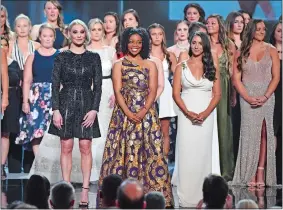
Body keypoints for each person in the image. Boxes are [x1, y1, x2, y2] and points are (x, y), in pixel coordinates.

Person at [97, 27, 173, 208]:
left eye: (139, 42)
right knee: (120, 153)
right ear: (125, 43)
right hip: (123, 115)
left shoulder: (151, 64)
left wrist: (143, 111)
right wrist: (129, 113)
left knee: (150, 152)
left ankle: (149, 194)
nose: (135, 45)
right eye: (131, 42)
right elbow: (117, 90)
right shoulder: (119, 64)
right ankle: (120, 196)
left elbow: (153, 90)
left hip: (147, 115)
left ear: (144, 44)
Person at [48, 19, 102, 207]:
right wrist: (56, 110)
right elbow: (54, 85)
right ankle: (67, 190)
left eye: (81, 32)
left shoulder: (94, 57)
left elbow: (98, 87)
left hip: (87, 104)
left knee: (85, 147)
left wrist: (94, 109)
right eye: (75, 32)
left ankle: (85, 191)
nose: (78, 35)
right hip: (65, 104)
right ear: (69, 34)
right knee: (66, 147)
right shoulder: (61, 57)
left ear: (85, 34)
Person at [172, 31, 221, 207]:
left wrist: (205, 113)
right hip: (186, 117)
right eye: (194, 42)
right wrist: (188, 113)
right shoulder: (181, 66)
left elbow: (217, 94)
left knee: (202, 155)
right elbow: (175, 93)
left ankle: (203, 196)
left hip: (206, 117)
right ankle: (186, 198)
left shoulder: (212, 67)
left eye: (200, 43)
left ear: (205, 45)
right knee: (186, 154)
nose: (196, 46)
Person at [232, 19, 280, 187]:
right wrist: (247, 97)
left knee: (265, 132)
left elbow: (276, 77)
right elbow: (236, 79)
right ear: (251, 30)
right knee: (248, 133)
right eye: (258, 29)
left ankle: (260, 171)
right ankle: (248, 173)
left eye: (264, 29)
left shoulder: (271, 50)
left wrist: (266, 96)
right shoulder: (241, 51)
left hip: (266, 96)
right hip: (247, 97)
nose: (262, 31)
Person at [15, 24, 59, 154]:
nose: (47, 39)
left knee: (54, 133)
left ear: (54, 38)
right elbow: (27, 80)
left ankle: (53, 167)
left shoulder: (60, 56)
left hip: (55, 96)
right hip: (36, 98)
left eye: (50, 36)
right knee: (36, 132)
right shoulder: (32, 56)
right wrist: (25, 102)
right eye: (44, 36)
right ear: (39, 37)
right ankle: (39, 165)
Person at [206, 14, 236, 181]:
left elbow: (232, 72)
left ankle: (225, 170)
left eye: (213, 23)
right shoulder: (202, 43)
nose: (209, 25)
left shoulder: (228, 46)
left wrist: (233, 93)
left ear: (220, 26)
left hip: (223, 88)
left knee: (223, 127)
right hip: (206, 87)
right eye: (208, 23)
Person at [86, 18, 116, 182]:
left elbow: (116, 73)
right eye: (93, 29)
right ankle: (91, 170)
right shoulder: (84, 50)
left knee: (107, 129)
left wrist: (115, 92)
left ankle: (107, 170)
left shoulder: (110, 50)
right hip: (90, 91)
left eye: (99, 29)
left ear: (103, 31)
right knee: (91, 128)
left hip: (108, 89)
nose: (96, 32)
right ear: (89, 32)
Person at [148, 23, 177, 158]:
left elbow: (178, 76)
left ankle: (163, 163)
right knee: (149, 130)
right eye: (154, 34)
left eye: (160, 34)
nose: (157, 37)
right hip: (148, 91)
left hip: (165, 93)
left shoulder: (169, 55)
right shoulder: (145, 55)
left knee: (165, 130)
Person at [1, 36, 21, 180]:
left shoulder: (11, 62)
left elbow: (6, 76)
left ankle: (2, 166)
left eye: (4, 44)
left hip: (6, 98)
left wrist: (6, 97)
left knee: (5, 132)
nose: (2, 47)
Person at [270, 20, 282, 185]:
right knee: (272, 134)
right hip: (272, 95)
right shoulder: (268, 51)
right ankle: (271, 172)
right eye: (279, 30)